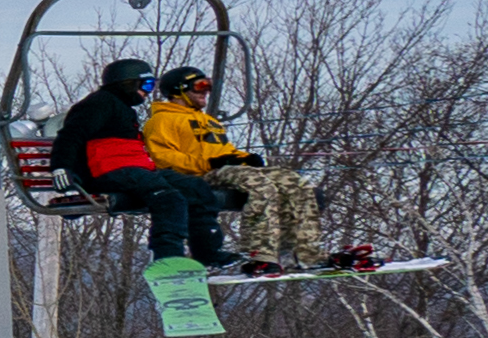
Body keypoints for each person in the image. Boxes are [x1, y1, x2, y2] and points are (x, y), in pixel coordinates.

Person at [52, 57, 235, 266]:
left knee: (195, 187)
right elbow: (71, 135)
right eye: (146, 85)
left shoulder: (121, 107)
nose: (148, 92)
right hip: (109, 171)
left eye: (152, 86)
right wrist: (61, 167)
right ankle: (168, 257)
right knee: (168, 198)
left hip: (135, 170)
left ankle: (207, 251)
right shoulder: (99, 103)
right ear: (126, 82)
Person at [148, 68, 325, 273]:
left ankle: (304, 253)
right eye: (200, 86)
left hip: (223, 170)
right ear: (179, 90)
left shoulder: (209, 121)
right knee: (260, 185)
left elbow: (223, 151)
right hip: (197, 175)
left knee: (292, 181)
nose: (206, 91)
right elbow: (162, 157)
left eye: (208, 86)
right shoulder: (162, 120)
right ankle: (259, 254)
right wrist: (210, 163)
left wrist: (242, 158)